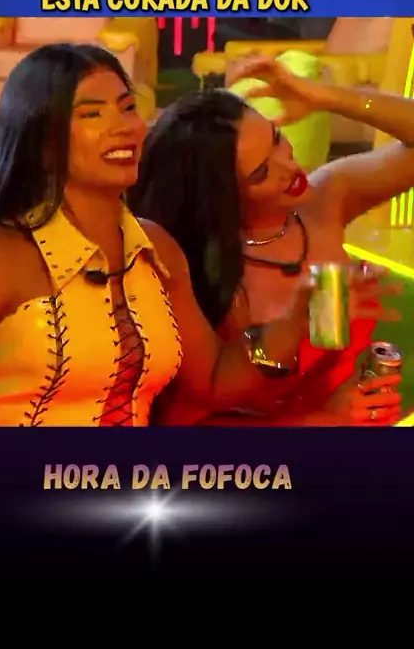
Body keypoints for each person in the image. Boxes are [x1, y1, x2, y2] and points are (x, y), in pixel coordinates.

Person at [0, 43, 344, 428]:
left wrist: (297, 316)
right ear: (41, 141)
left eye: (127, 107)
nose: (124, 127)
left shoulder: (157, 249)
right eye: (92, 115)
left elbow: (216, 380)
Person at [129, 56, 412, 427]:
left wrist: (326, 97)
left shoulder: (326, 198)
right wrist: (322, 420)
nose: (289, 167)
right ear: (221, 199)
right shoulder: (193, 271)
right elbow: (196, 424)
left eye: (277, 139)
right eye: (262, 172)